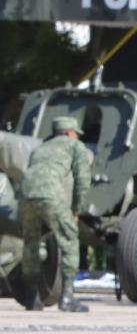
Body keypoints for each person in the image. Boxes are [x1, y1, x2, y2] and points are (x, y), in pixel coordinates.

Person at [18, 115, 92, 313]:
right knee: (69, 241)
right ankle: (67, 297)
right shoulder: (75, 146)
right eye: (76, 134)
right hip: (51, 195)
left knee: (31, 244)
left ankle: (31, 298)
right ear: (69, 133)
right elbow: (83, 179)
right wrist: (77, 208)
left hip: (26, 196)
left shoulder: (40, 148)